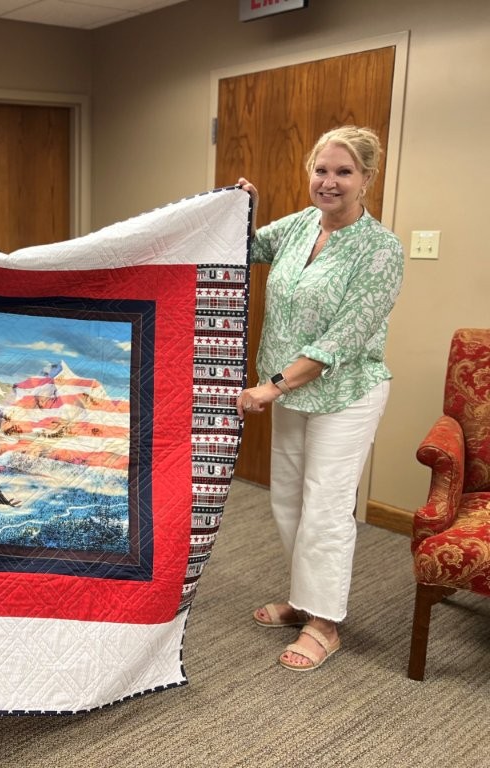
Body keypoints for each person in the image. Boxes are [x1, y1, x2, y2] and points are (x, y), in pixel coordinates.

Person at [235, 126, 404, 672]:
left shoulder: (380, 250)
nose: (329, 182)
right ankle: (304, 599)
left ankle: (325, 625)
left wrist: (272, 386)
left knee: (326, 507)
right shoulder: (301, 225)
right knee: (288, 501)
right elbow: (247, 248)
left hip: (344, 394)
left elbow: (342, 340)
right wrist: (240, 210)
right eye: (322, 170)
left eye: (343, 172)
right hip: (291, 390)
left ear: (366, 179)